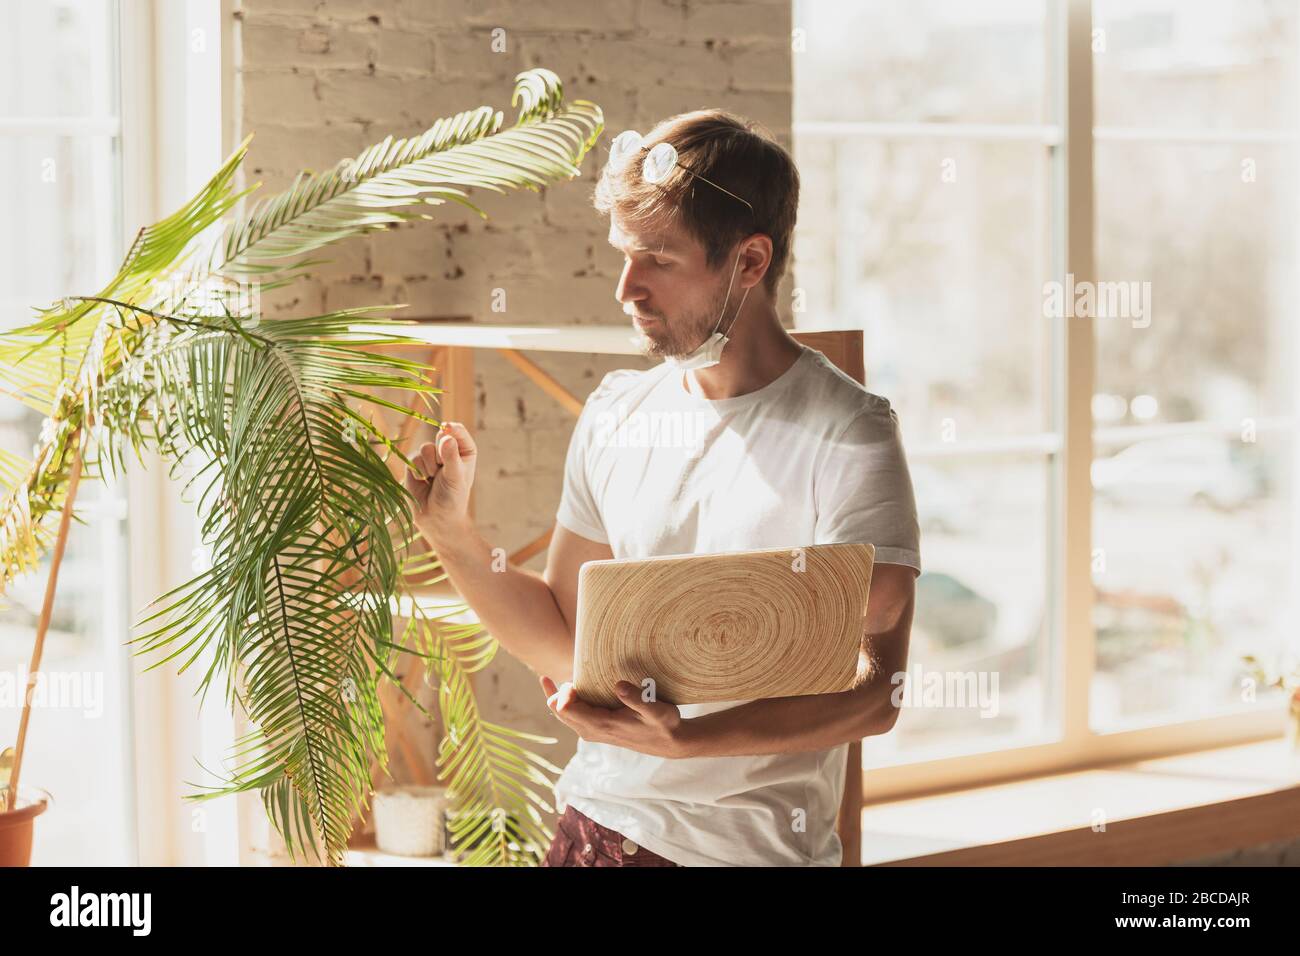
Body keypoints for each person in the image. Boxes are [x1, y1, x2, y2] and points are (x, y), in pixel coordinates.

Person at [404, 109, 921, 867]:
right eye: (622, 254)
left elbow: (880, 695)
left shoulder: (848, 431)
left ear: (749, 262)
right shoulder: (617, 410)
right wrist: (451, 534)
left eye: (658, 260)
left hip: (744, 852)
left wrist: (693, 741)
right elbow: (566, 638)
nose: (626, 288)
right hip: (593, 829)